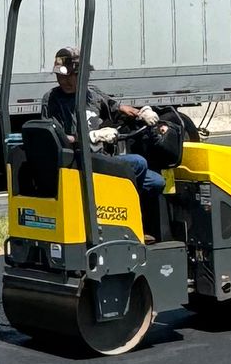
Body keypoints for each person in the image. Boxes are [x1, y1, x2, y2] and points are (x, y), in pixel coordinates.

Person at [39, 46, 166, 239]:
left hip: (102, 159)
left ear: (83, 75)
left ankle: (131, 220)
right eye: (61, 76)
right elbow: (55, 137)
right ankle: (125, 227)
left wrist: (143, 113)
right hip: (79, 161)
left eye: (70, 76)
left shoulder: (93, 94)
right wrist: (92, 137)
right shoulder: (52, 99)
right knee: (138, 163)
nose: (64, 80)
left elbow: (118, 108)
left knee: (156, 182)